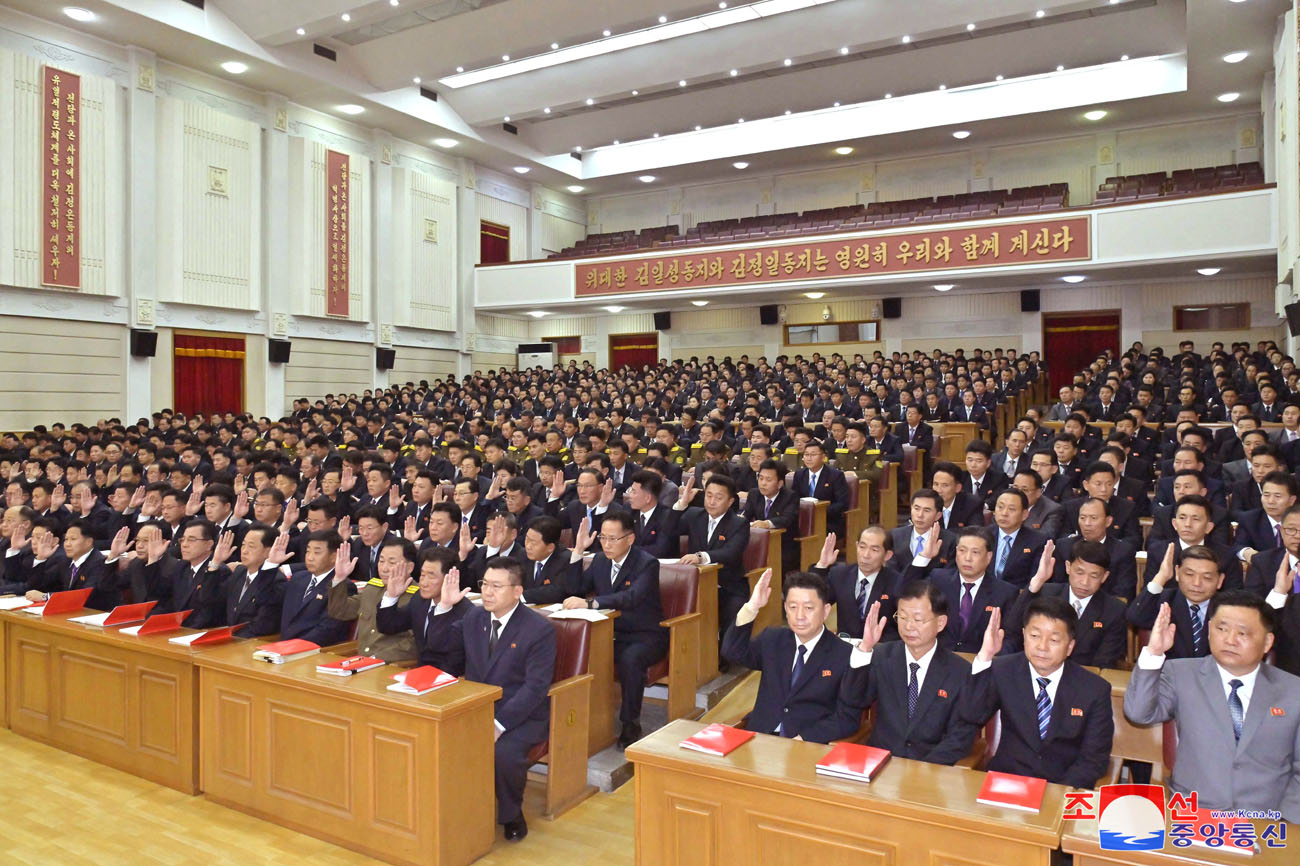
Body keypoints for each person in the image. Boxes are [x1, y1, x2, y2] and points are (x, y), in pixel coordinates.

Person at [1124, 591, 1300, 822]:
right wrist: (1154, 653)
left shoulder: (1293, 690)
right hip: (1193, 812)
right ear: (1208, 630)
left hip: (1266, 818)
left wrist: (1287, 821)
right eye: (1222, 629)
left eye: (1243, 633)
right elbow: (1139, 713)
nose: (1230, 639)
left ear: (1267, 642)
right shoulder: (1180, 673)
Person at [426, 558, 555, 842]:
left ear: (517, 591)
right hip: (475, 705)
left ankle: (511, 815)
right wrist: (445, 608)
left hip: (521, 714)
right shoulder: (474, 617)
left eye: (496, 586)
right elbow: (439, 647)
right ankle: (453, 809)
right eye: (484, 584)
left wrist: (499, 724)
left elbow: (535, 688)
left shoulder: (538, 630)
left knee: (503, 755)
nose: (487, 592)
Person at [960, 597, 1114, 788]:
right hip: (1007, 782)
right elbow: (971, 714)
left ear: (1070, 646)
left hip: (1063, 787)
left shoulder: (1094, 689)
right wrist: (985, 656)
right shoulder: (1003, 670)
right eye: (1034, 636)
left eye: (1054, 640)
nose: (1042, 647)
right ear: (1024, 635)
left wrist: (1058, 793)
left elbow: (1094, 759)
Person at [722, 569, 864, 743]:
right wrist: (752, 606)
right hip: (760, 742)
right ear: (785, 609)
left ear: (826, 611)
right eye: (793, 607)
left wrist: (805, 738)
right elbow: (732, 652)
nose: (800, 616)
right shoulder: (773, 640)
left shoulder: (844, 655)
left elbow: (847, 718)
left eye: (809, 608)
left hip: (806, 746)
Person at [564, 511, 666, 747]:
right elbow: (575, 588)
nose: (606, 544)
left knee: (631, 660)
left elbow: (632, 597)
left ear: (629, 539)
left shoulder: (646, 563)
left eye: (613, 539)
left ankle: (630, 723)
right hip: (608, 634)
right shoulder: (600, 560)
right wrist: (578, 552)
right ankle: (583, 722)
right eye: (603, 538)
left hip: (645, 635)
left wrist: (592, 603)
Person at [848, 579, 979, 764]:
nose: (908, 626)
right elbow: (853, 699)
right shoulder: (882, 656)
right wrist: (865, 649)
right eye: (902, 617)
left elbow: (960, 737)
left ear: (940, 623)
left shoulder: (960, 671)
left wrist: (923, 769)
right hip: (881, 765)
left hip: (931, 770)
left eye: (918, 619)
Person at [1005, 540, 1128, 668]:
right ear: (1068, 567)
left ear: (1104, 576)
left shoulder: (1114, 610)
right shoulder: (1046, 593)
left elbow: (1104, 662)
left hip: (1081, 679)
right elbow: (1012, 628)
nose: (1085, 582)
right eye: (1079, 573)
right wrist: (1037, 582)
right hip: (1036, 669)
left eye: (1094, 576)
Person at [906, 526, 1018, 653]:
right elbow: (905, 593)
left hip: (980, 662)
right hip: (939, 659)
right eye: (962, 550)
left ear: (988, 557)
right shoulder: (938, 579)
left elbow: (1012, 639)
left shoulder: (1005, 593)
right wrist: (924, 557)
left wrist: (991, 657)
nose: (967, 558)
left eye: (975, 552)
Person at [674, 474, 751, 640]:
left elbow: (731, 552)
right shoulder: (694, 515)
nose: (712, 501)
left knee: (733, 609)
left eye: (718, 497)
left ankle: (723, 655)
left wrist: (701, 557)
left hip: (728, 586)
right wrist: (682, 504)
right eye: (708, 495)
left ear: (730, 501)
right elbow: (669, 529)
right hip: (697, 584)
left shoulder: (739, 524)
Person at [376, 545, 469, 671]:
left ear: (450, 578)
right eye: (422, 575)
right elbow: (388, 626)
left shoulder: (467, 612)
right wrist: (391, 596)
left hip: (452, 680)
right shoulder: (420, 601)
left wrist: (443, 608)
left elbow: (443, 649)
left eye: (431, 576)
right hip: (420, 675)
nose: (423, 583)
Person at [330, 536, 421, 661]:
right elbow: (340, 611)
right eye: (381, 561)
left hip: (391, 664)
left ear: (409, 567)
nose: (384, 568)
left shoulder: (418, 597)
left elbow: (413, 645)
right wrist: (339, 579)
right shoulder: (373, 589)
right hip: (362, 661)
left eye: (392, 563)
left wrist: (375, 658)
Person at [1127, 543, 1221, 659]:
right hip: (1168, 674)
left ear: (1220, 580)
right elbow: (1135, 617)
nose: (1197, 583)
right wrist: (1162, 576)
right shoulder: (1165, 600)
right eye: (1189, 574)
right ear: (1177, 573)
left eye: (1207, 577)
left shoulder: (1228, 608)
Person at [809, 528, 902, 641]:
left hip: (880, 650)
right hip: (845, 647)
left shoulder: (897, 582)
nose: (866, 555)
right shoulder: (839, 575)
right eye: (862, 547)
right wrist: (822, 565)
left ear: (887, 555)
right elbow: (812, 602)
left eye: (874, 550)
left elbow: (901, 627)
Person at [208, 522, 287, 637]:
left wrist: (230, 639)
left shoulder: (276, 581)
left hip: (252, 643)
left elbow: (262, 625)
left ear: (269, 551)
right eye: (243, 545)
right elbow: (210, 600)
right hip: (230, 639)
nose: (244, 551)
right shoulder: (239, 572)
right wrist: (215, 562)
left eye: (251, 546)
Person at [279, 529, 356, 644]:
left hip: (315, 651)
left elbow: (328, 630)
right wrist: (271, 564)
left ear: (334, 557)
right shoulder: (298, 578)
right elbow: (269, 600)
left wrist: (295, 645)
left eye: (317, 552)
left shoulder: (342, 586)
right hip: (283, 647)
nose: (310, 557)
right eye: (308, 551)